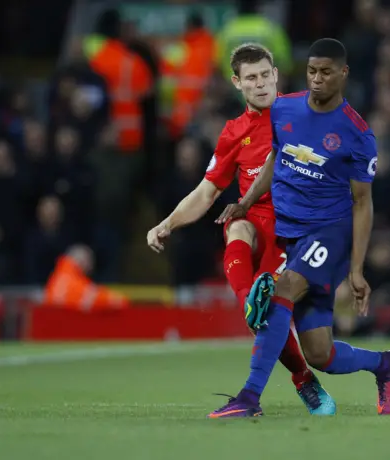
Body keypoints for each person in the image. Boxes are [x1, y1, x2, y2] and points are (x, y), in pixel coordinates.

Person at [210, 38, 390, 418]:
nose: (317, 79)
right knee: (320, 353)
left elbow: (363, 202)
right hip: (290, 234)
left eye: (326, 72)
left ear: (343, 74)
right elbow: (274, 158)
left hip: (329, 233)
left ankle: (249, 398)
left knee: (279, 293)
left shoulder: (357, 134)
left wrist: (357, 269)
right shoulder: (284, 108)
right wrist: (247, 202)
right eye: (312, 71)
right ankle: (384, 363)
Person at [146, 43, 335, 415]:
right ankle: (255, 306)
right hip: (255, 220)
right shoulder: (234, 133)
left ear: (276, 75)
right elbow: (206, 193)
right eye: (252, 78)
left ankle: (302, 377)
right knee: (236, 225)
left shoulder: (306, 110)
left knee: (271, 315)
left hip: (294, 229)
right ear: (237, 83)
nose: (261, 84)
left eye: (266, 75)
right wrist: (167, 223)